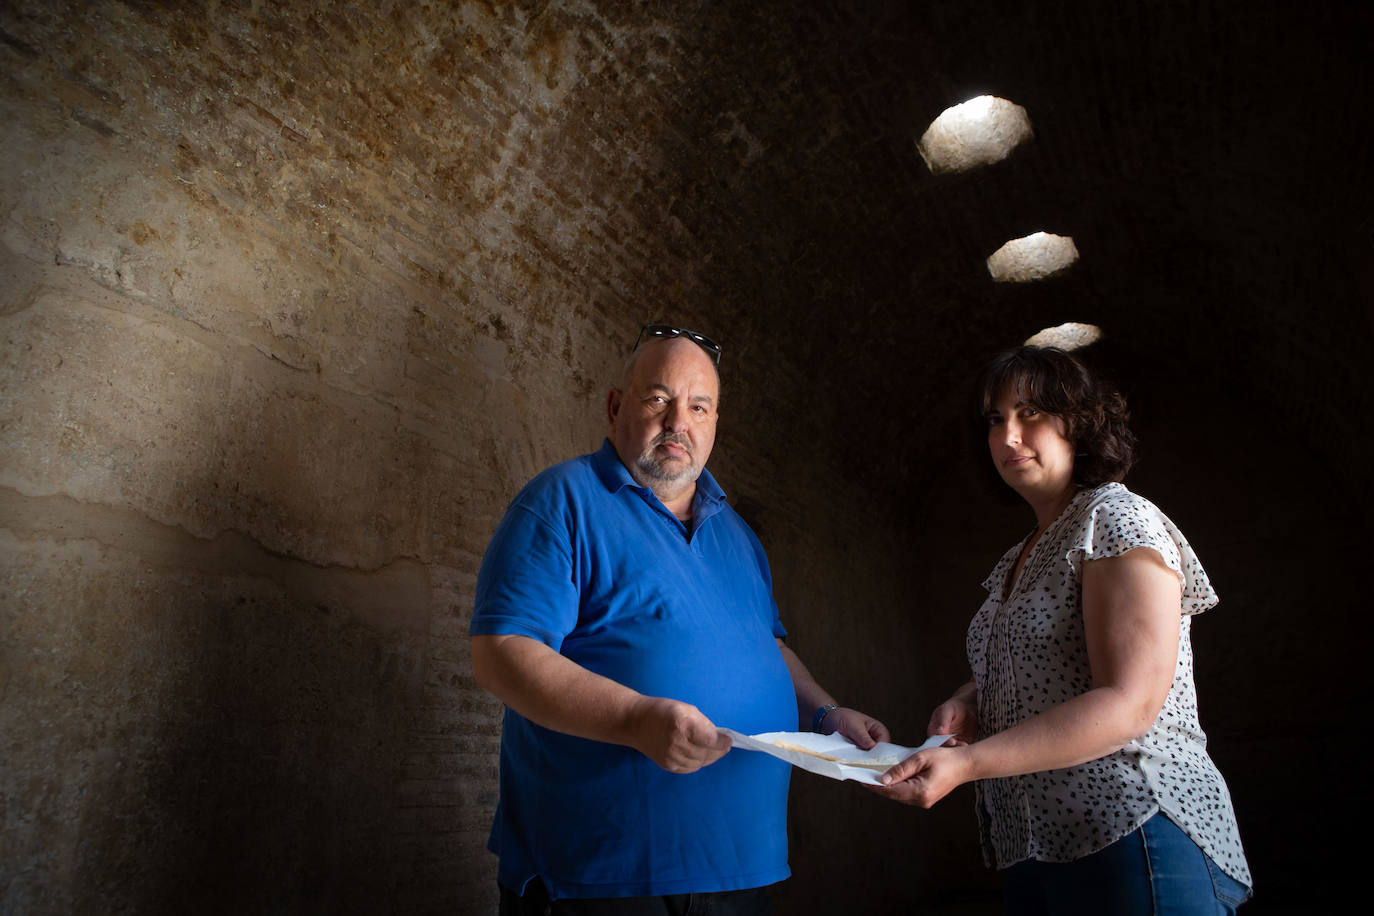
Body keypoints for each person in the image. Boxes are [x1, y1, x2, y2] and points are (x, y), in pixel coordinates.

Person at [470, 324, 888, 915]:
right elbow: (501, 652)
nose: (678, 423)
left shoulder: (740, 538)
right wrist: (637, 719)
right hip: (602, 877)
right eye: (658, 399)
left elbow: (766, 650)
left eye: (698, 407)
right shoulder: (561, 501)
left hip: (742, 870)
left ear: (715, 423)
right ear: (617, 406)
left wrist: (826, 713)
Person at [873, 345, 1252, 914]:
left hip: (1137, 831)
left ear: (1079, 423)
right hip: (1038, 846)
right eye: (996, 420)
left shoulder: (1116, 518)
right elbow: (1046, 659)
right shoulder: (1019, 556)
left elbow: (1130, 703)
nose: (1008, 436)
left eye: (1030, 414)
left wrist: (969, 764)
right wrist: (968, 700)